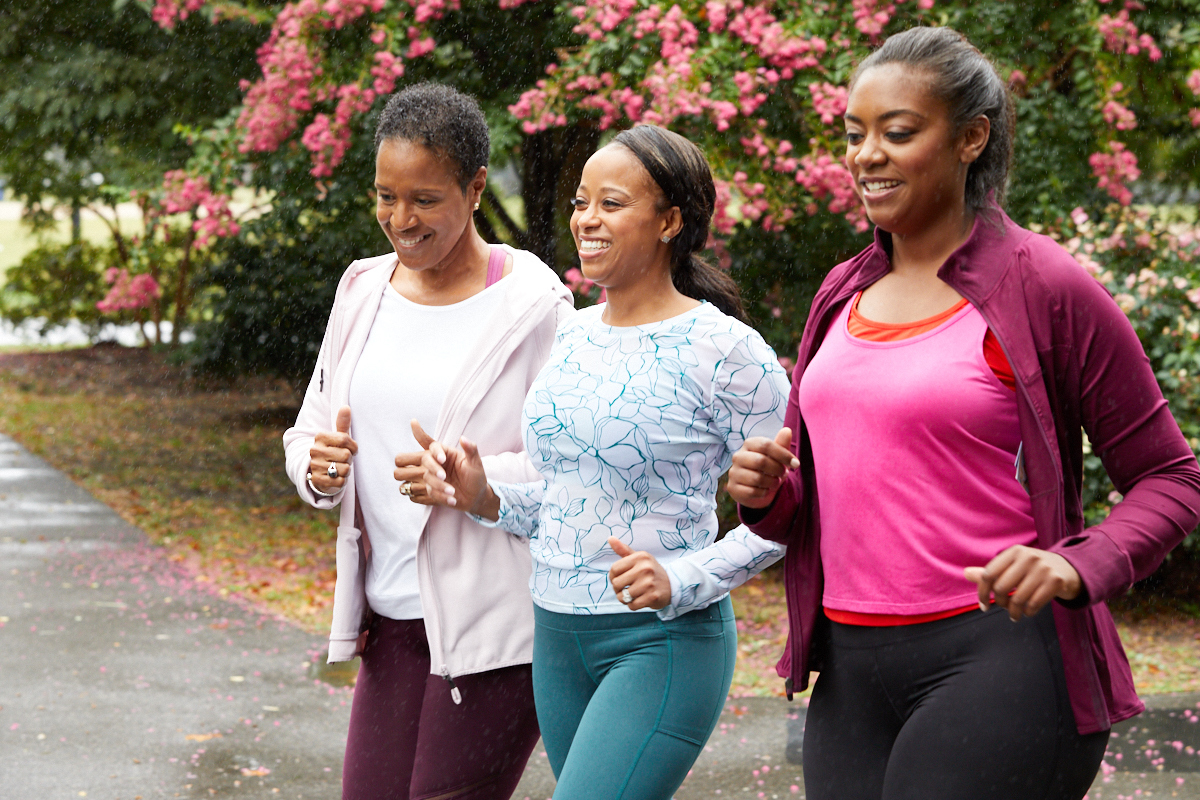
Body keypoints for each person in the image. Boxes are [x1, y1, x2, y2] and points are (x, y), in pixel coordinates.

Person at [726, 25, 1200, 800]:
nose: (866, 155)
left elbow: (1173, 477)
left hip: (1001, 658)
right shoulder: (841, 292)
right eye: (854, 135)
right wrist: (767, 496)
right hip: (850, 668)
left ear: (971, 138)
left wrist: (1076, 563)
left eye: (897, 132)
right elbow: (830, 494)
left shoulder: (1042, 283)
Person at [415, 124, 789, 800]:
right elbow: (566, 499)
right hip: (556, 634)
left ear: (670, 220)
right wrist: (482, 494)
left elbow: (787, 520)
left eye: (611, 204)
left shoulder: (729, 353)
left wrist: (682, 579)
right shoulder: (572, 334)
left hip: (661, 644)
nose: (587, 219)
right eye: (582, 202)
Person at [282, 83, 573, 800]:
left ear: (476, 188)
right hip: (390, 619)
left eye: (424, 200)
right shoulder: (362, 290)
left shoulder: (535, 307)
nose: (399, 220)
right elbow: (312, 424)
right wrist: (314, 468)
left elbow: (573, 470)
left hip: (498, 633)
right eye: (386, 196)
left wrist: (476, 484)